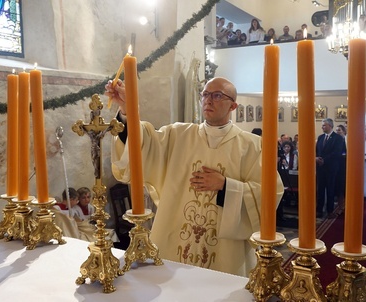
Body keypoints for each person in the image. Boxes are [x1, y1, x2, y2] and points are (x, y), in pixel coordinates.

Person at [107, 77, 283, 277]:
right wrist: (127, 111)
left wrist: (226, 186)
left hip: (225, 250)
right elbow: (144, 146)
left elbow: (270, 193)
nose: (208, 100)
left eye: (217, 95)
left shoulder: (252, 145)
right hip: (176, 242)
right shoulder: (178, 134)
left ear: (233, 105)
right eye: (205, 94)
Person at [316, 118, 345, 218]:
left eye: (324, 125)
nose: (322, 127)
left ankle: (330, 210)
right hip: (320, 168)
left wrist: (324, 160)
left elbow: (337, 153)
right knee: (320, 189)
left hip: (331, 168)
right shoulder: (320, 138)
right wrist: (316, 158)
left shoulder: (338, 138)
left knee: (330, 189)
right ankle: (319, 210)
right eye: (322, 125)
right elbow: (317, 150)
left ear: (330, 126)